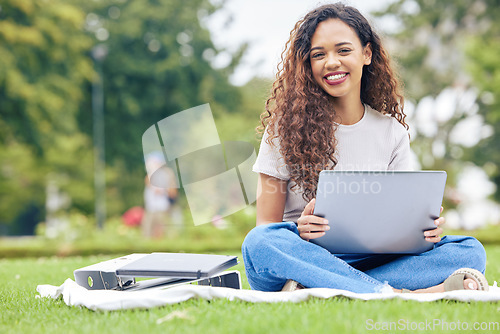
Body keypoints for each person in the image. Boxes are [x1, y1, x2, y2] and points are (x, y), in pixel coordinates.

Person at [241, 3, 488, 293]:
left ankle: (332, 287)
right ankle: (395, 292)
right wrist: (300, 232)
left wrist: (421, 232)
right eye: (318, 54)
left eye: (343, 50)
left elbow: (398, 220)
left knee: (470, 250)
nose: (331, 62)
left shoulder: (391, 133)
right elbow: (265, 227)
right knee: (258, 244)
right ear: (307, 64)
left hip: (369, 260)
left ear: (367, 54)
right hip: (300, 257)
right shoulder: (283, 128)